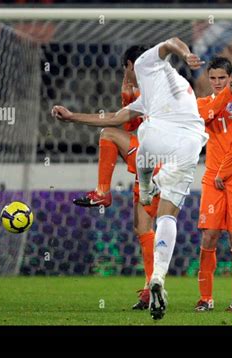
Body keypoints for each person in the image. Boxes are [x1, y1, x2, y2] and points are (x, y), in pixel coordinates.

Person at [52, 37, 208, 320]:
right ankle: (157, 278)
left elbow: (172, 42)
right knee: (164, 218)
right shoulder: (153, 92)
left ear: (130, 64)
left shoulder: (146, 61)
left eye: (126, 69)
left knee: (131, 135)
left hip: (156, 141)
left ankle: (117, 188)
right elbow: (115, 114)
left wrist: (186, 54)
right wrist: (73, 117)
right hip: (192, 145)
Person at [73, 47, 159, 310]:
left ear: (131, 65)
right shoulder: (139, 88)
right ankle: (150, 288)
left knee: (108, 133)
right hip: (148, 163)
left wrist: (72, 117)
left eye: (127, 68)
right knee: (143, 229)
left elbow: (114, 121)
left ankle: (102, 192)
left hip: (156, 160)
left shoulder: (152, 88)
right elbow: (133, 126)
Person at [195, 57, 232, 313]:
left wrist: (224, 171)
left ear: (230, 77)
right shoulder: (201, 104)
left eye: (222, 78)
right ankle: (206, 299)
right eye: (213, 78)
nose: (217, 83)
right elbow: (211, 113)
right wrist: (227, 92)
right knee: (209, 236)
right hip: (212, 178)